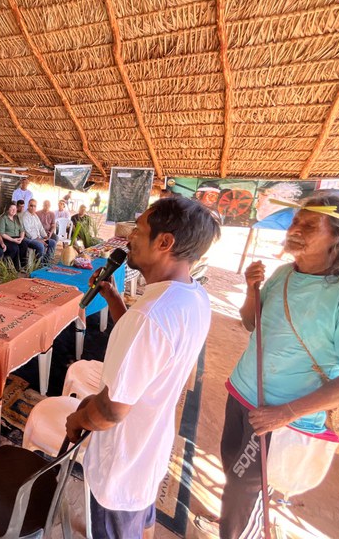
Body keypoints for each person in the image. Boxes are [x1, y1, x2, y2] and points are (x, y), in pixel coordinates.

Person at [215, 196, 339, 539]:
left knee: (243, 495)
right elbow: (252, 323)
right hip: (242, 394)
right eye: (296, 222)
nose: (295, 230)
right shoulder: (282, 274)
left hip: (278, 416)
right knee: (234, 475)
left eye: (309, 226)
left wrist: (287, 413)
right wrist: (251, 290)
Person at [65, 197, 220, 539]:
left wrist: (76, 418)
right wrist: (115, 300)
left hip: (120, 463)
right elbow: (150, 351)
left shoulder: (149, 317)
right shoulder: (193, 296)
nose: (130, 237)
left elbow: (109, 411)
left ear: (164, 242)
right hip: (148, 450)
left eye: (138, 229)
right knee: (142, 525)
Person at [0, 202, 29, 269]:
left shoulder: (16, 218)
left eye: (15, 209)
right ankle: (11, 267)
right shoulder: (3, 219)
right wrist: (12, 240)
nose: (14, 210)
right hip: (7, 238)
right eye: (11, 208)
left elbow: (22, 230)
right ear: (7, 209)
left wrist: (21, 238)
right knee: (14, 248)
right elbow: (2, 233)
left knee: (24, 245)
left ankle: (22, 266)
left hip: (17, 238)